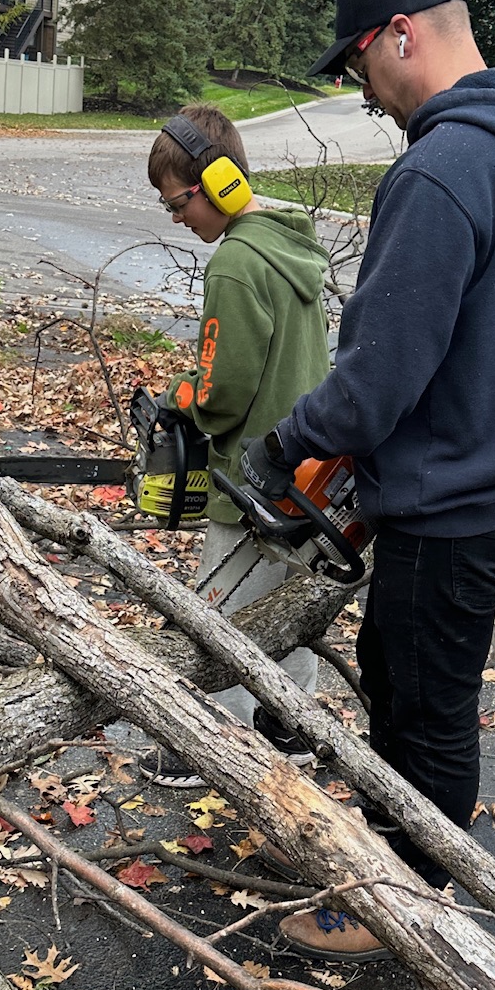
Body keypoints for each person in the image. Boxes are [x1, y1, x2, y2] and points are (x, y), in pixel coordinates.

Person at [242, 0, 495, 958]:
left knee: (427, 704)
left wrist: (289, 443)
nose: (367, 94)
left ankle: (408, 904)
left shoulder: (440, 169)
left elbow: (379, 373)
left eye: (360, 69)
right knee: (399, 669)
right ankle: (387, 853)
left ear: (400, 36)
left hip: (462, 496)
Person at [147, 102, 331, 771]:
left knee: (216, 622)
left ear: (220, 183)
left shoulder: (234, 264)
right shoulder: (290, 246)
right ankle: (294, 736)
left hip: (252, 478)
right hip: (309, 474)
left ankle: (216, 760)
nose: (176, 219)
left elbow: (223, 392)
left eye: (177, 204)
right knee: (293, 614)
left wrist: (178, 397)